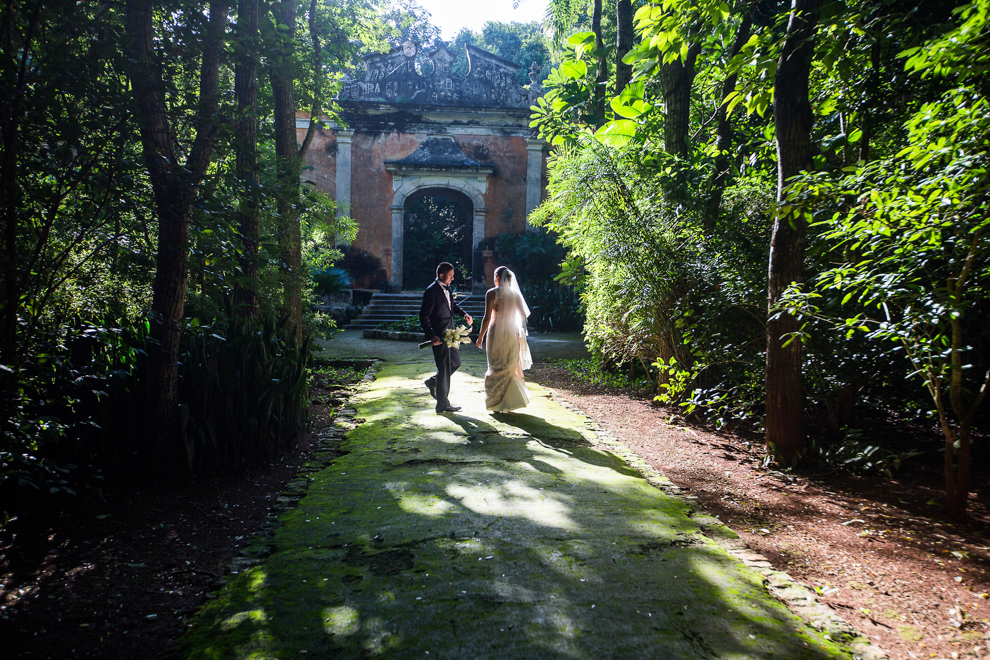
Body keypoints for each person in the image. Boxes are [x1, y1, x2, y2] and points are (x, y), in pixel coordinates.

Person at [475, 266, 532, 412]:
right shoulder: (516, 295)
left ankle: (495, 403)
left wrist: (480, 336)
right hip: (512, 333)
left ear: (498, 277)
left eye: (495, 276)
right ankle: (507, 403)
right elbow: (523, 316)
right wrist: (518, 330)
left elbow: (487, 318)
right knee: (508, 366)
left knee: (495, 365)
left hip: (495, 332)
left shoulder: (491, 293)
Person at [420, 262, 472, 413]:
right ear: (441, 275)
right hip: (439, 337)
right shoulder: (431, 291)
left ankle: (433, 382)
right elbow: (424, 317)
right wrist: (432, 336)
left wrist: (464, 314)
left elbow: (452, 306)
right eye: (450, 275)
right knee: (444, 368)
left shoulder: (447, 288)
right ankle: (443, 404)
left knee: (455, 363)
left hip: (451, 335)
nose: (452, 278)